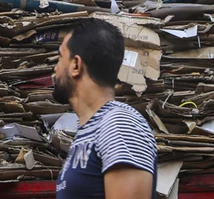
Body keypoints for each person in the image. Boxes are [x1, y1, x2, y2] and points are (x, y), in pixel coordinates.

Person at [53, 17, 157, 199]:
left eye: (61, 57)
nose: (55, 68)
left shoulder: (120, 125)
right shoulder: (90, 132)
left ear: (76, 65)